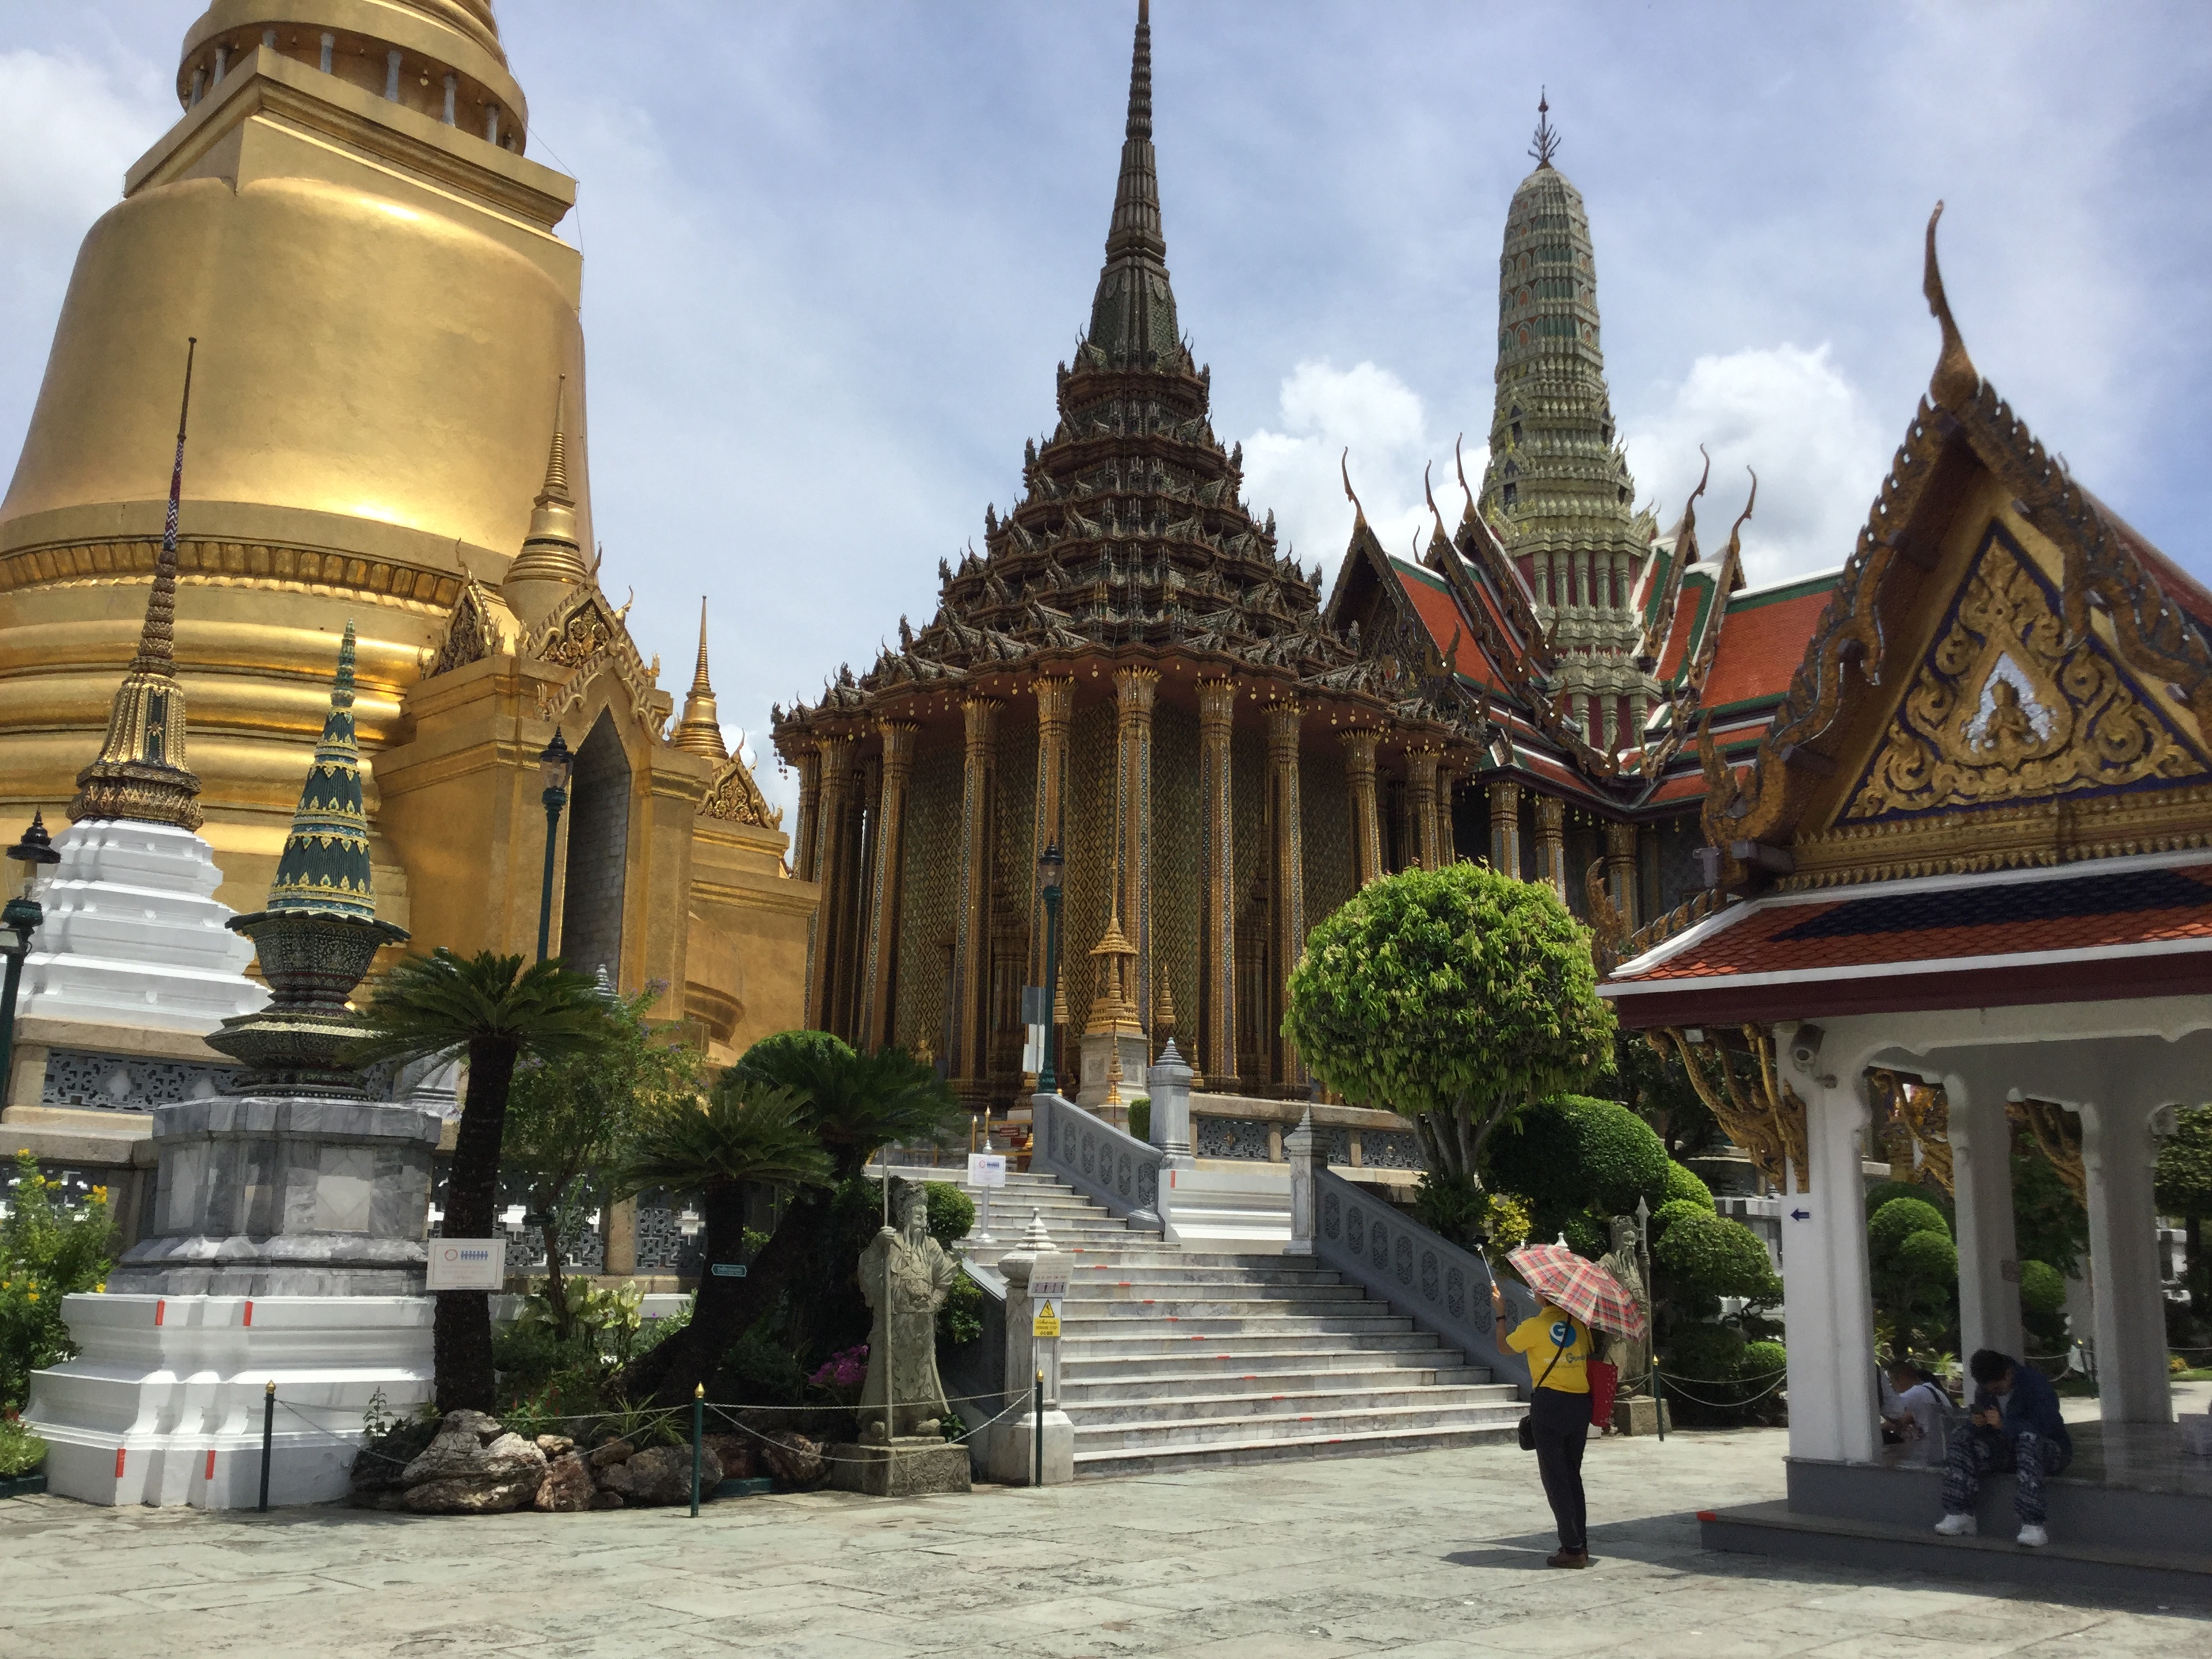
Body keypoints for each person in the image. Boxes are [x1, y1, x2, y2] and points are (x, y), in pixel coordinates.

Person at [1494, 1279, 1594, 1568]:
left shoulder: (1534, 1326)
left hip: (1550, 1403)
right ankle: (1580, 1543)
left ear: (1542, 1297)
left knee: (1555, 1477)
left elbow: (1504, 1347)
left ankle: (1572, 1549)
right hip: (1579, 1404)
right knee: (1572, 1475)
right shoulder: (1580, 1326)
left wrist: (1500, 1313)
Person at [1933, 1348, 2072, 1548]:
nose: (1993, 1393)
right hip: (2008, 1451)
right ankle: (1960, 1513)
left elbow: (2046, 1426)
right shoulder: (1985, 1391)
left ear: (2008, 1374)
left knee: (2027, 1439)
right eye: (1989, 1390)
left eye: (1997, 1389)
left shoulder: (2036, 1385)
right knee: (1962, 1438)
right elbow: (1986, 1431)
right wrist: (1977, 1423)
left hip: (2049, 1451)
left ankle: (2033, 1523)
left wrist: (2005, 1425)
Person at [1884, 1361, 1949, 1466]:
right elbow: (1907, 1417)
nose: (1893, 1387)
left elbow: (1893, 1413)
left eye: (1892, 1382)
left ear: (1901, 1378)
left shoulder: (1914, 1393)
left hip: (1931, 1447)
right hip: (1944, 1444)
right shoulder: (1931, 1389)